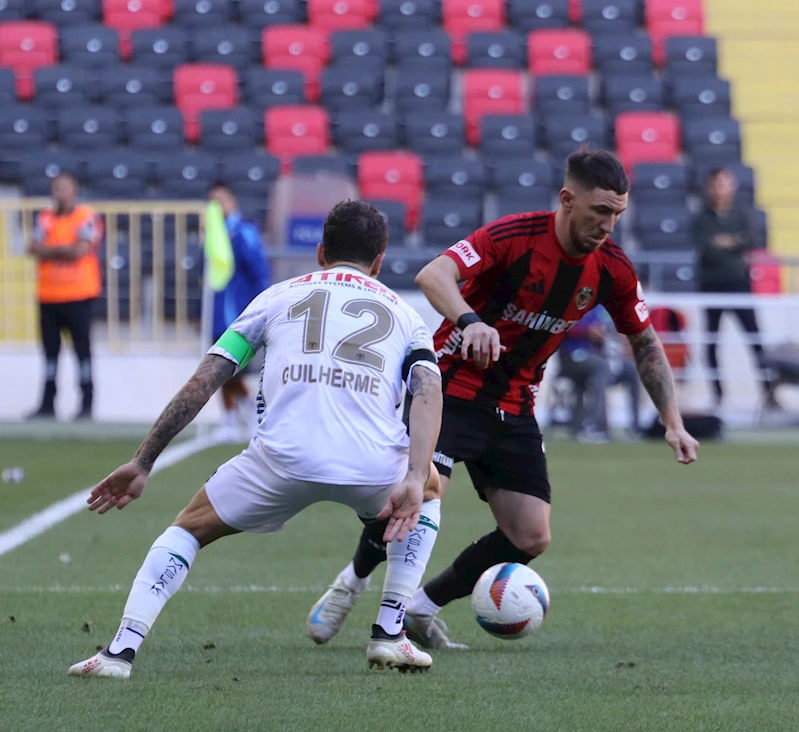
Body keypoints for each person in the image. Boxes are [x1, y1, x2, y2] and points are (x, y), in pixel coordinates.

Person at [310, 149, 699, 650]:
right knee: (419, 495)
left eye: (618, 214)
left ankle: (423, 608)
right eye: (600, 211)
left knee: (530, 536)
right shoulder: (514, 236)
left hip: (515, 406)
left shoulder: (613, 268)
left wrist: (672, 420)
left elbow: (644, 342)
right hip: (450, 391)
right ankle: (351, 584)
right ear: (567, 199)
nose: (609, 224)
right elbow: (434, 275)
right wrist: (472, 322)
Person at [68, 201, 444, 678]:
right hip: (370, 465)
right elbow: (429, 392)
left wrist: (143, 462)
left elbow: (206, 379)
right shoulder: (404, 314)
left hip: (279, 460)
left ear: (321, 251)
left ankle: (119, 653)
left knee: (188, 527)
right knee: (430, 490)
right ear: (381, 257)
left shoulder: (276, 298)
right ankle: (389, 633)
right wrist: (414, 476)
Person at [692, 168, 778, 409]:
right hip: (711, 286)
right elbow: (705, 249)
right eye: (717, 183)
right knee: (711, 341)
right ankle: (718, 395)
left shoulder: (741, 215)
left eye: (725, 183)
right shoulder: (701, 218)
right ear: (709, 186)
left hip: (739, 284)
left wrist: (726, 243)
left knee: (754, 338)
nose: (721, 188)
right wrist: (731, 244)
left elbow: (749, 241)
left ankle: (769, 391)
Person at [27, 173, 104, 420]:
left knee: (82, 351)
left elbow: (81, 249)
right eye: (56, 188)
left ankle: (86, 404)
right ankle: (47, 404)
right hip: (48, 295)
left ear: (74, 190)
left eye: (64, 188)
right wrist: (64, 250)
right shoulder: (45, 217)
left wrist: (51, 251)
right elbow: (33, 247)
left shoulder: (86, 216)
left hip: (78, 294)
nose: (60, 193)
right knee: (50, 353)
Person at [207, 182, 271, 442]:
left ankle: (251, 414)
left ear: (232, 202)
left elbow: (259, 272)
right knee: (218, 370)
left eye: (220, 201)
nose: (216, 207)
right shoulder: (213, 234)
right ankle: (230, 420)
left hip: (239, 314)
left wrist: (262, 308)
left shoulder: (243, 232)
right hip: (217, 314)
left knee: (231, 370)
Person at [558, 305, 641, 442]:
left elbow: (610, 330)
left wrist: (611, 335)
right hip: (573, 356)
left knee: (631, 369)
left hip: (601, 355)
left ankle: (635, 426)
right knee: (601, 367)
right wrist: (588, 332)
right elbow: (561, 328)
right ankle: (593, 425)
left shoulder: (600, 308)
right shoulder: (569, 303)